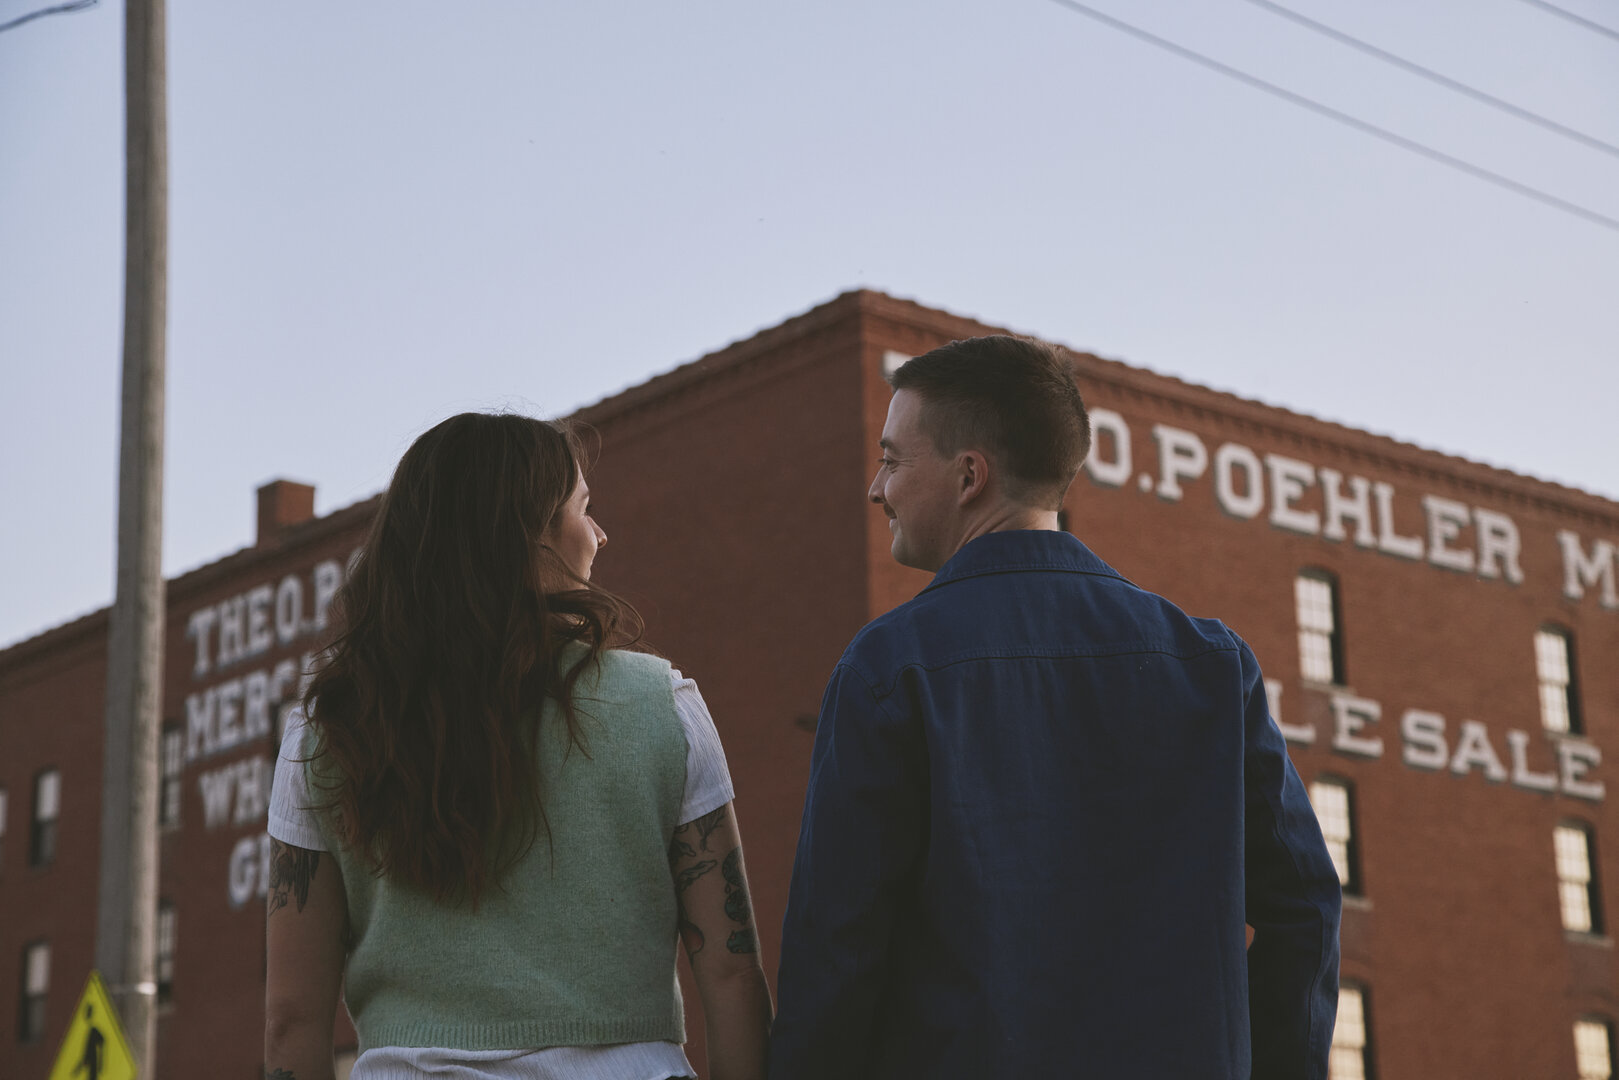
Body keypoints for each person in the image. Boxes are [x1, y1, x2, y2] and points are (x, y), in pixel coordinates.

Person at [768, 336, 1342, 1078]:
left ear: (969, 475)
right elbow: (1305, 905)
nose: (877, 488)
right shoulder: (1211, 663)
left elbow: (835, 952)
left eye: (892, 460)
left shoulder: (889, 668)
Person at [264, 413, 772, 1080]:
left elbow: (292, 1020)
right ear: (530, 538)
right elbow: (733, 976)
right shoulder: (662, 707)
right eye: (584, 510)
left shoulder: (328, 731)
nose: (600, 534)